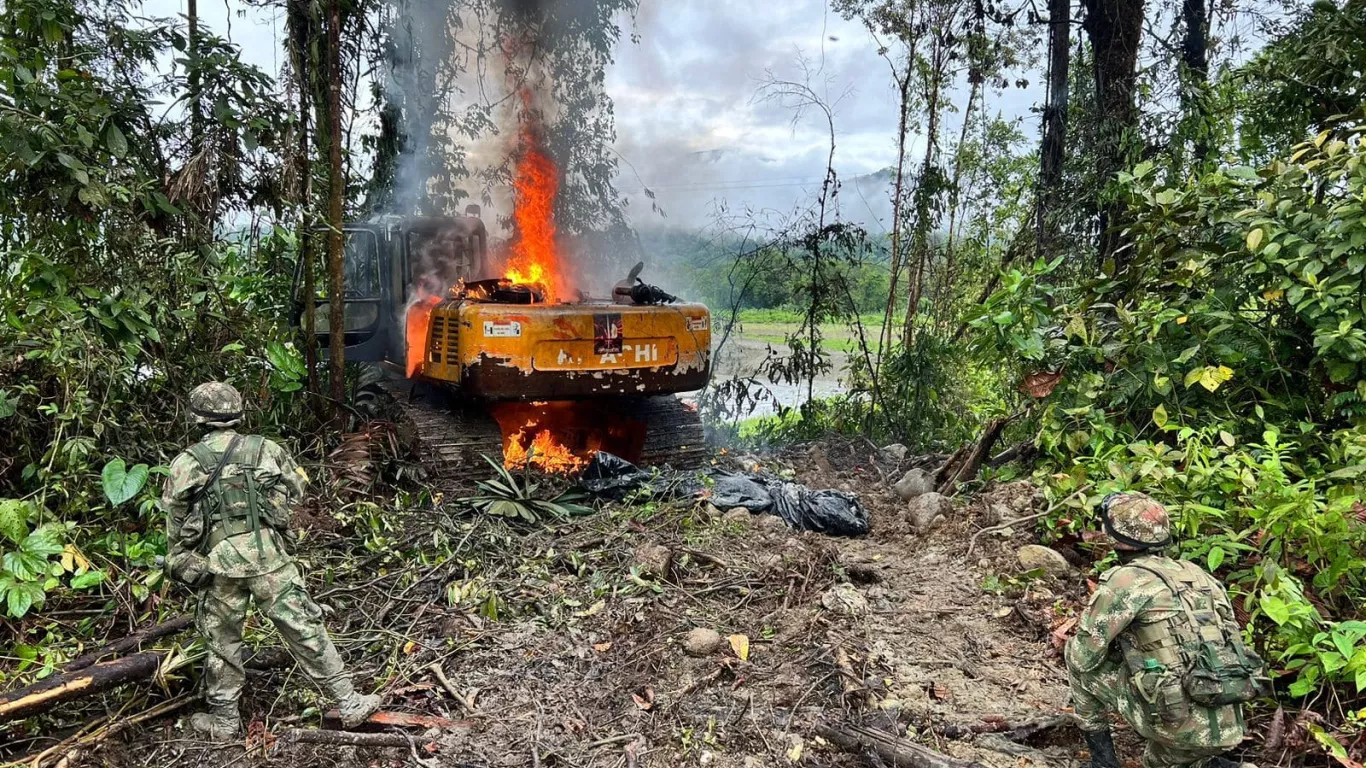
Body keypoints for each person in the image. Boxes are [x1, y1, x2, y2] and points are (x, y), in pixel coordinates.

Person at [161, 382, 381, 741]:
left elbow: (174, 522)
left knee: (222, 641)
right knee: (303, 626)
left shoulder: (186, 462)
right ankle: (349, 701)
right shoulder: (267, 450)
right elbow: (297, 490)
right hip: (269, 558)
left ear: (197, 418)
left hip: (219, 565)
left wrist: (183, 559)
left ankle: (225, 722)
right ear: (237, 413)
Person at [1065, 492, 1264, 768]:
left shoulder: (1127, 580)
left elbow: (1083, 656)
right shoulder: (1200, 576)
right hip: (1229, 718)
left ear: (1115, 537)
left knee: (1073, 656)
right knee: (1163, 760)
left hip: (1176, 722)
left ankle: (1103, 763)